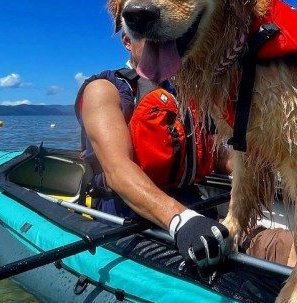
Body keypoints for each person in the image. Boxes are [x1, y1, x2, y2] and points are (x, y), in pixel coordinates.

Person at [75, 34, 231, 267]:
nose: (162, 44)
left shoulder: (186, 94)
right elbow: (117, 169)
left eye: (169, 39)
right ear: (127, 42)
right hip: (131, 222)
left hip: (197, 213)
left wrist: (268, 173)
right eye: (151, 37)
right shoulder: (103, 90)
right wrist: (181, 220)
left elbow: (220, 155)